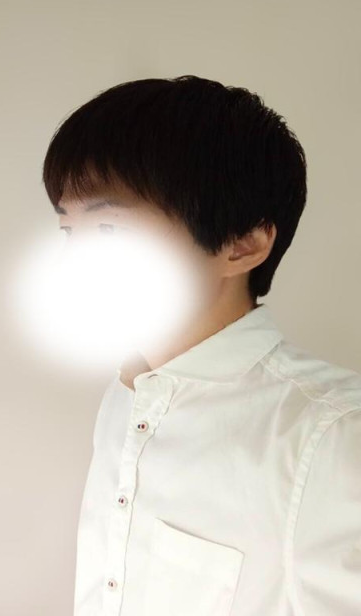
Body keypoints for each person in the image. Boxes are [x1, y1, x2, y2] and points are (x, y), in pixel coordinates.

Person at [42, 75, 361, 616]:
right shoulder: (124, 398)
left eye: (110, 229)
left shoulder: (331, 438)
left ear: (242, 244)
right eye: (69, 231)